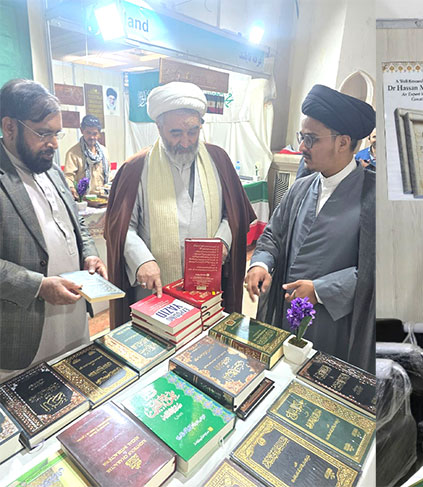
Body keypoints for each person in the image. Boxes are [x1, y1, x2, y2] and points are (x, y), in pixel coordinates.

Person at [244, 84, 376, 372]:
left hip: (334, 323)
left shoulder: (373, 197)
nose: (302, 147)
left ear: (343, 142)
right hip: (286, 313)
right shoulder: (302, 187)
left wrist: (321, 290)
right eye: (301, 137)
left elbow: (377, 269)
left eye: (311, 139)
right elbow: (273, 236)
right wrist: (261, 264)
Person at [105, 82, 255, 327]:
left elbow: (234, 213)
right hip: (156, 290)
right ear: (159, 127)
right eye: (176, 133)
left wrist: (222, 244)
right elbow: (122, 228)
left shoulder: (218, 160)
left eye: (193, 132)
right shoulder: (137, 168)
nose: (186, 142)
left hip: (208, 289)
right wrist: (142, 260)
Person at [0, 79, 108, 380]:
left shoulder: (52, 169)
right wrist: (38, 285)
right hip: (23, 334)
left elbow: (77, 225)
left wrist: (89, 255)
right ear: (9, 127)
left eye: (57, 133)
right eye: (43, 133)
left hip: (73, 322)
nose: (54, 144)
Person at [63, 114, 109, 198]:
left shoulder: (104, 151)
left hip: (103, 198)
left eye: (95, 133)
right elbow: (68, 177)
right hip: (84, 200)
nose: (92, 137)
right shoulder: (73, 153)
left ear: (99, 134)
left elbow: (107, 175)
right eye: (88, 133)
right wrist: (71, 188)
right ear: (82, 130)